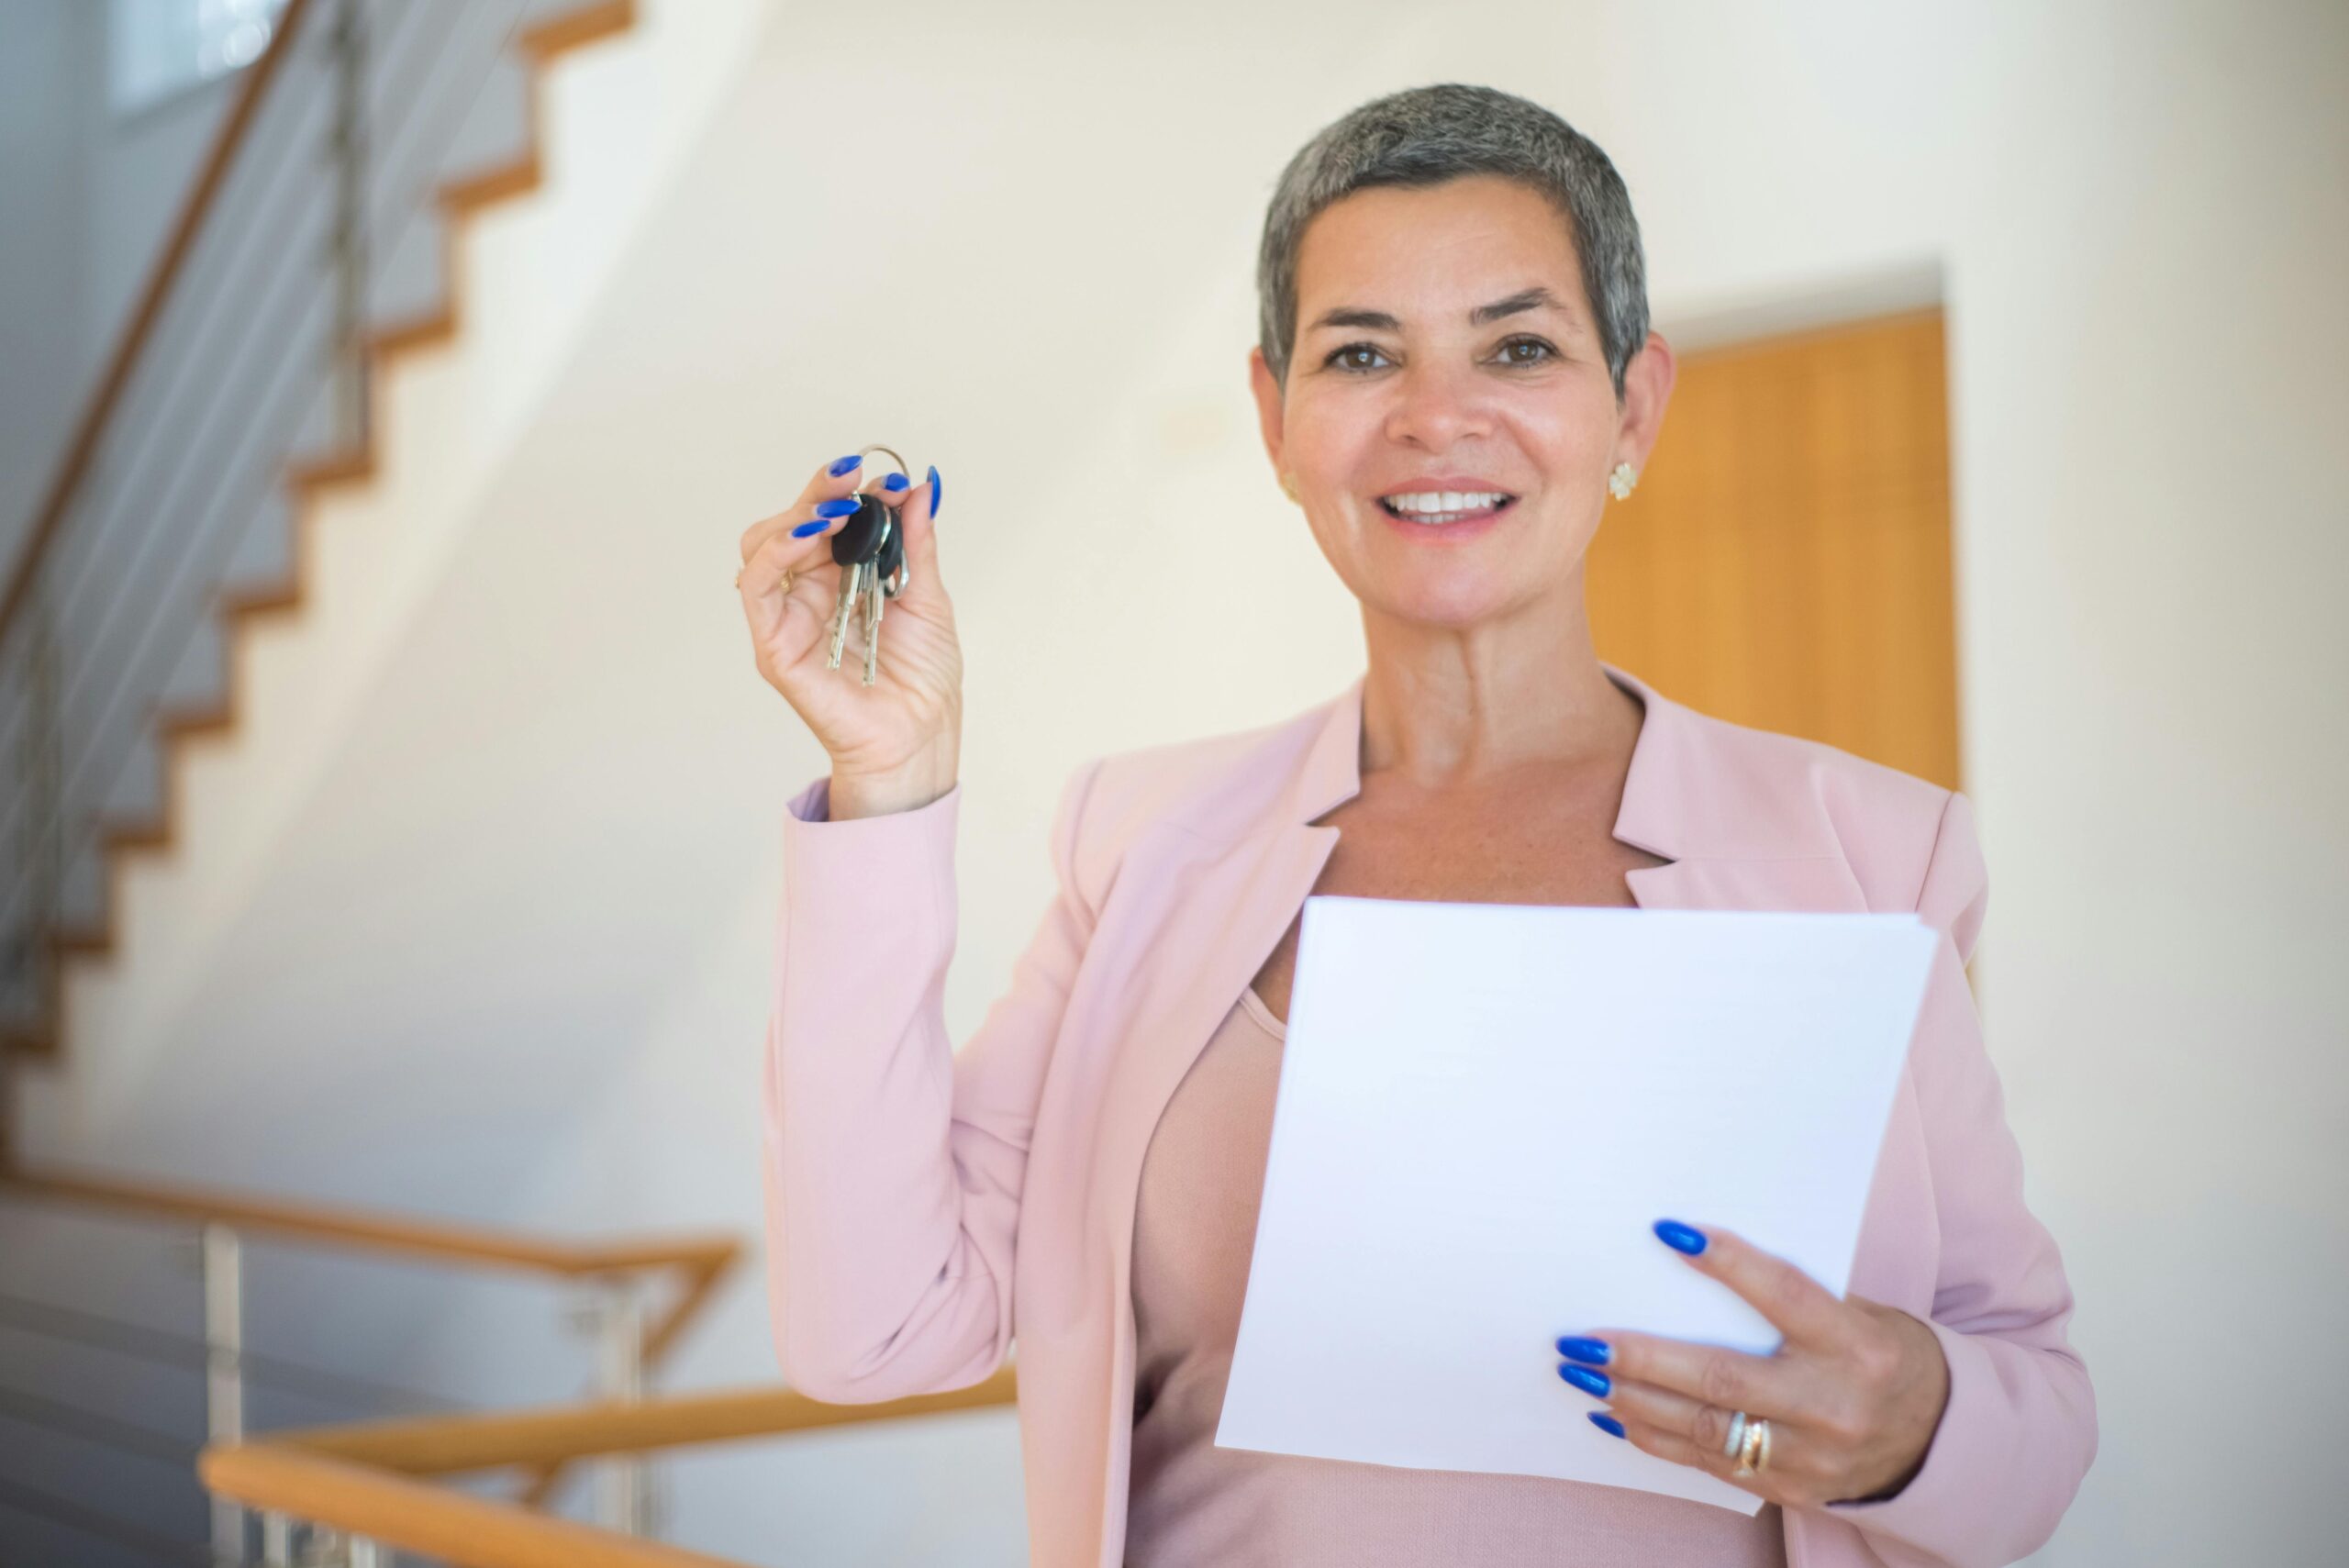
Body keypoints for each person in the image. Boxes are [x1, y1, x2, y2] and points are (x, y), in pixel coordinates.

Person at [734, 83, 2094, 1568]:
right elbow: (871, 1327)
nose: (1436, 417)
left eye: (1519, 346)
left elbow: (2031, 1419)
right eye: (1362, 352)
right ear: (1276, 416)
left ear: (1633, 404)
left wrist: (1910, 1426)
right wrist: (888, 777)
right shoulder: (1140, 846)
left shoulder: (1870, 859)